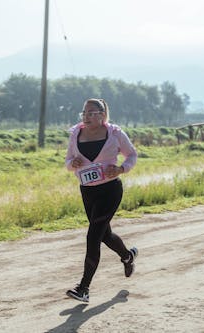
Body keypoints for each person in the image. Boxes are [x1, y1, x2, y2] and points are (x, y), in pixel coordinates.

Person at [64, 98, 138, 303]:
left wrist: (121, 169)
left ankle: (84, 288)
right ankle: (127, 256)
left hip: (109, 190)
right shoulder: (76, 133)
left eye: (90, 113)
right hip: (87, 191)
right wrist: (73, 163)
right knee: (105, 234)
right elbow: (68, 162)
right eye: (84, 113)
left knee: (93, 236)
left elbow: (131, 155)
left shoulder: (114, 133)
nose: (85, 117)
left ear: (102, 115)